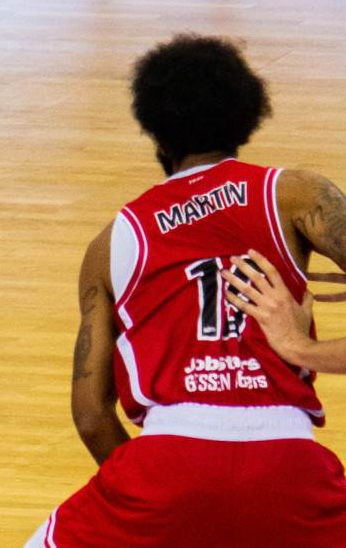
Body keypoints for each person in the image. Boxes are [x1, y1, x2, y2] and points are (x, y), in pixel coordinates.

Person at [28, 34, 346, 547]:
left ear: (154, 132)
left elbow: (90, 416)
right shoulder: (298, 196)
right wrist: (301, 348)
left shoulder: (110, 244)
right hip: (290, 464)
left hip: (166, 462)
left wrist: (165, 501)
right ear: (246, 118)